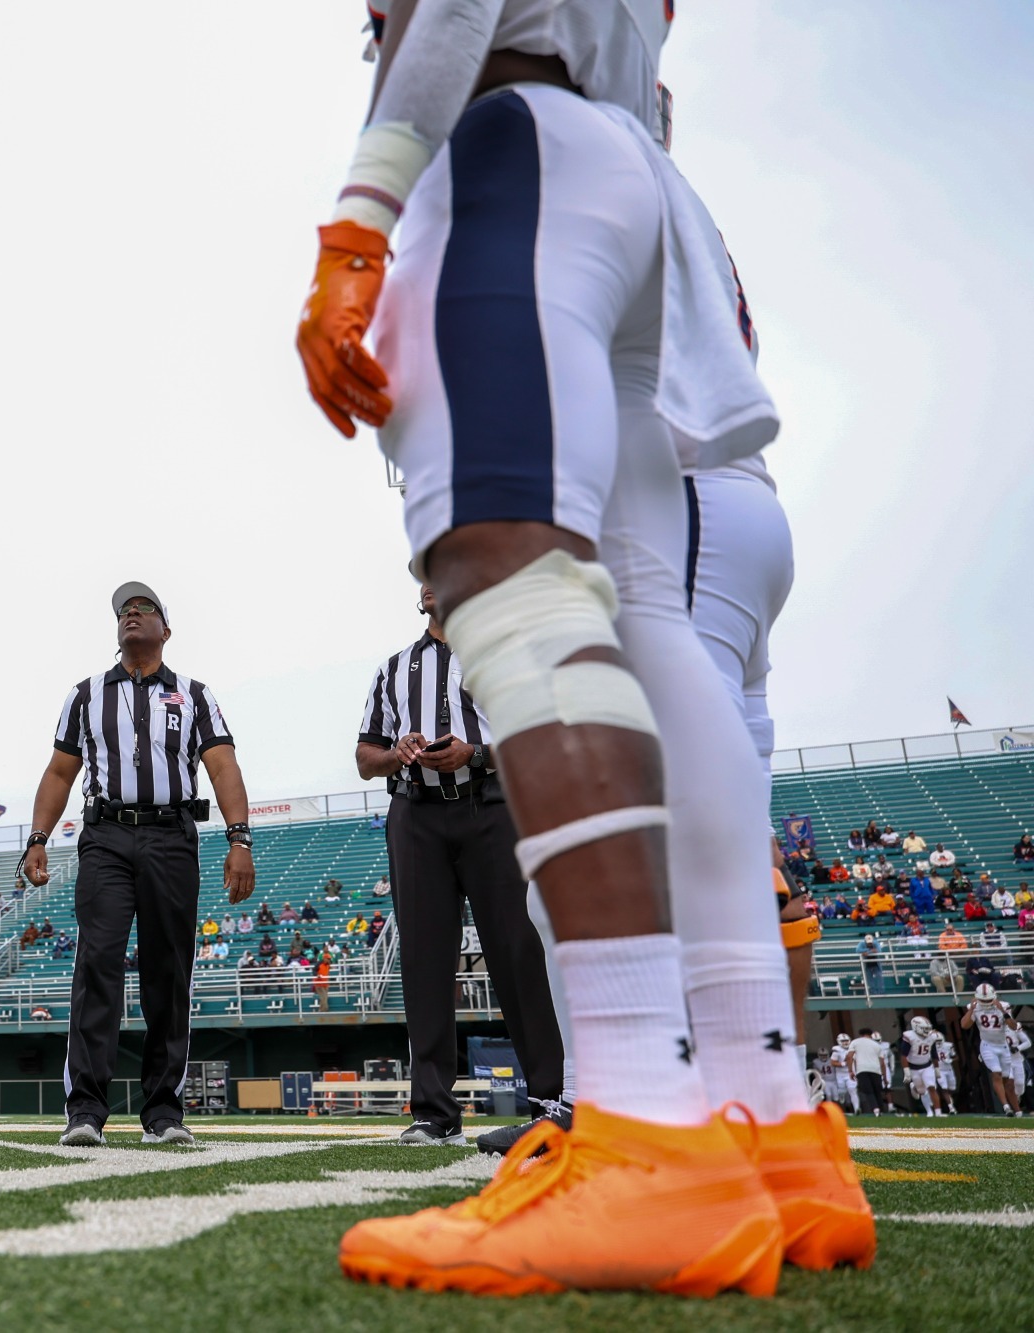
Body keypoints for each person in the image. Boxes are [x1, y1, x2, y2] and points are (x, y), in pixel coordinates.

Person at [302, 3, 865, 1294]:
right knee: (652, 625)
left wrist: (357, 223)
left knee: (506, 571)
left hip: (511, 147)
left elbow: (451, 14)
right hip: (625, 169)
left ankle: (642, 1128)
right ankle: (768, 1120)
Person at [20, 582, 255, 1148]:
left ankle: (164, 1111)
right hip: (105, 835)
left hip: (171, 835)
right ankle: (85, 1110)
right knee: (97, 961)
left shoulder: (195, 695)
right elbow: (59, 772)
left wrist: (239, 838)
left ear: (165, 630)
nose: (132, 612)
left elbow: (222, 766)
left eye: (144, 607)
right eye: (125, 609)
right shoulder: (86, 694)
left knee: (167, 972)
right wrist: (37, 838)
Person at [356, 585, 564, 1152]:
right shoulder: (393, 669)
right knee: (424, 963)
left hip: (491, 805)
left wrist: (474, 753)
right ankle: (434, 1113)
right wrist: (397, 753)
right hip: (415, 813)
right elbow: (365, 757)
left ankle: (549, 1101)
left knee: (517, 952)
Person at [960, 985, 1023, 1117]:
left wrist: (1003, 1011)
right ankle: (1006, 1107)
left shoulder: (1003, 1006)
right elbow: (964, 1025)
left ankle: (1018, 1111)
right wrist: (971, 1010)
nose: (986, 1003)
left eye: (988, 1000)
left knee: (1008, 1082)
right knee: (996, 1073)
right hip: (987, 1045)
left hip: (1003, 1046)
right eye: (983, 1000)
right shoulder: (974, 1007)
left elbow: (1014, 1026)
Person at [849, 1031, 888, 1116]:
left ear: (861, 1035)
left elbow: (850, 1057)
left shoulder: (855, 1042)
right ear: (870, 1035)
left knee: (868, 1091)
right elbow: (882, 1063)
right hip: (876, 1070)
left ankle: (875, 1109)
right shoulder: (877, 1045)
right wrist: (884, 1077)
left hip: (862, 1069)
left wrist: (851, 1071)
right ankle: (881, 1110)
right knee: (877, 1091)